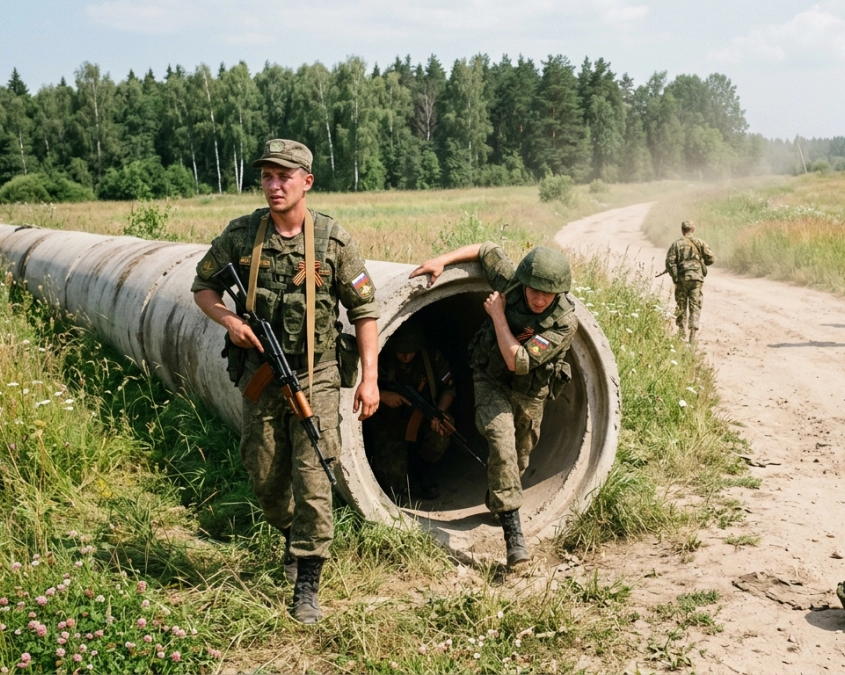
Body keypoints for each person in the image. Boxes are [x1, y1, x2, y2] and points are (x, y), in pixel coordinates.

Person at [191, 139, 381, 624]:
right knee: (264, 475)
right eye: (267, 177)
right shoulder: (241, 235)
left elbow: (364, 312)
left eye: (284, 176)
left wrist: (370, 379)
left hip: (315, 373)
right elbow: (203, 287)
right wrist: (230, 323)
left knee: (315, 474)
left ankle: (307, 581)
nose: (274, 185)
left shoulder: (334, 241)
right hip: (261, 376)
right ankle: (294, 537)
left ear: (306, 182)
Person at [410, 243, 578, 569]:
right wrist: (440, 261)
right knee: (501, 442)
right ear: (524, 281)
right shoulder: (512, 282)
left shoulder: (564, 322)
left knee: (520, 457)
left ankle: (498, 500)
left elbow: (519, 361)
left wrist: (498, 315)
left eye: (548, 293)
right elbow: (486, 249)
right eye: (534, 289)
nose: (539, 298)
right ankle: (514, 536)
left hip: (530, 392)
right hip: (491, 382)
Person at [371, 322, 456, 502]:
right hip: (389, 422)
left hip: (423, 418)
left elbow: (449, 388)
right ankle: (400, 479)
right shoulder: (380, 358)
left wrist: (439, 412)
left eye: (411, 351)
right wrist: (383, 395)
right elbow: (355, 387)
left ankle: (423, 469)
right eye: (401, 351)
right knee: (393, 483)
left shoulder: (431, 358)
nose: (406, 356)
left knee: (444, 427)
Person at [664, 220, 715, 343]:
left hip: (682, 280)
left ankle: (681, 332)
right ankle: (692, 334)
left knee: (681, 305)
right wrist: (701, 261)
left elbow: (670, 262)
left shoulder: (676, 244)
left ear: (682, 230)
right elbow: (711, 259)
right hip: (696, 280)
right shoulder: (700, 243)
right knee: (695, 305)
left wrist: (675, 277)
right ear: (693, 229)